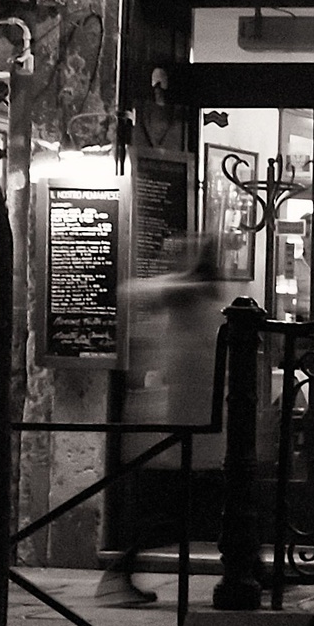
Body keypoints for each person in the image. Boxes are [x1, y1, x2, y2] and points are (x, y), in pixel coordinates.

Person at [97, 233, 234, 606]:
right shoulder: (182, 299)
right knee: (178, 514)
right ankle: (119, 575)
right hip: (177, 433)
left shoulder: (199, 304)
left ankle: (251, 571)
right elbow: (129, 292)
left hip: (195, 433)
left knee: (206, 508)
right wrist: (189, 281)